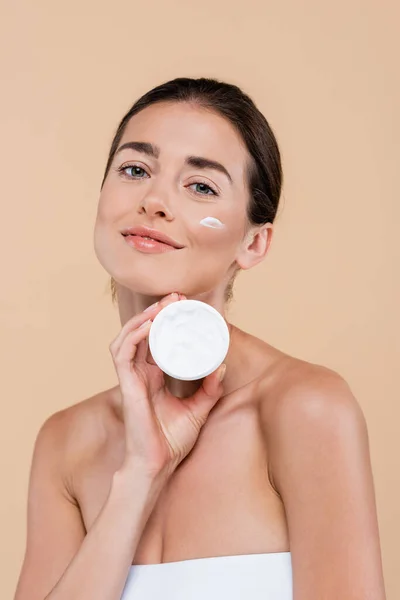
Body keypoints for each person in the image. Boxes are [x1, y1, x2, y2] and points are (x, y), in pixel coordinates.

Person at [14, 77, 386, 600]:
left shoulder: (305, 408)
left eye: (201, 186)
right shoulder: (66, 443)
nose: (155, 200)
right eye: (135, 169)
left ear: (254, 243)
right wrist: (140, 475)